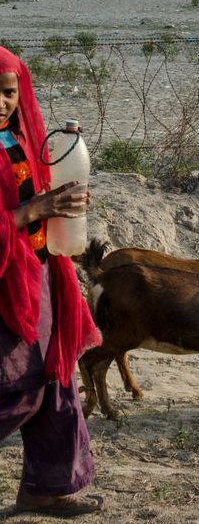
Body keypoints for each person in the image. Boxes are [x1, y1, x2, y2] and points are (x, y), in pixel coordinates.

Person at [0, 46, 103, 517]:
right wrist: (30, 211)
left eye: (8, 92)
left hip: (38, 274)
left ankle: (47, 486)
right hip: (6, 286)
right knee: (19, 385)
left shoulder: (24, 139)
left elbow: (44, 197)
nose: (2, 102)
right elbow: (24, 209)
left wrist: (60, 206)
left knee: (58, 375)